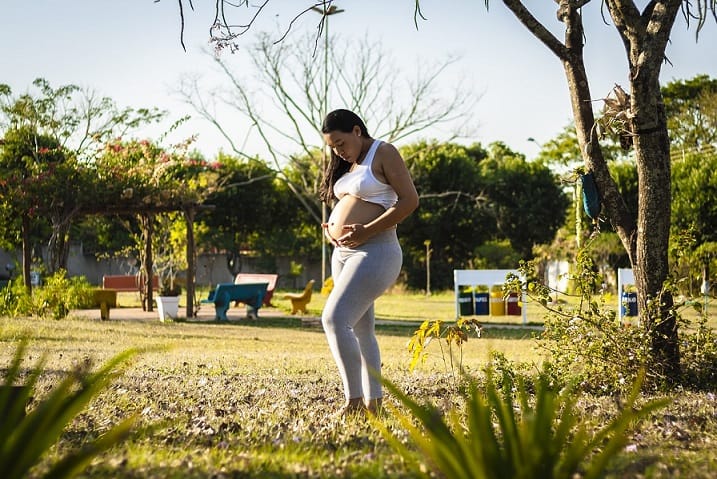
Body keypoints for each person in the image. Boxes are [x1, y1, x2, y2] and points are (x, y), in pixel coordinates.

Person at [319, 109, 419, 416]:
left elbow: (410, 201)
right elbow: (349, 206)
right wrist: (334, 230)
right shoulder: (348, 163)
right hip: (344, 254)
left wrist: (366, 230)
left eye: (340, 142)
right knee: (362, 331)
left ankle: (353, 402)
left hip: (376, 250)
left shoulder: (384, 152)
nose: (337, 150)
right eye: (332, 147)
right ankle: (373, 404)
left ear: (357, 131)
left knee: (334, 319)